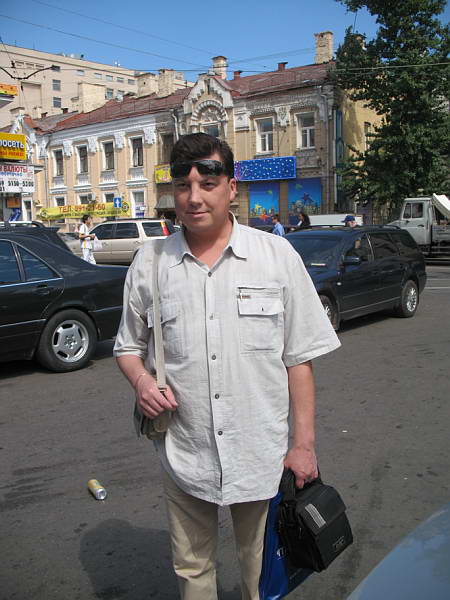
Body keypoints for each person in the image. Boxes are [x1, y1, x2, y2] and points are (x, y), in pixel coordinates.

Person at [114, 133, 340, 600]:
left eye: (208, 183)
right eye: (183, 185)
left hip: (261, 452)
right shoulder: (150, 263)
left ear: (231, 188)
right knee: (192, 566)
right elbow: (127, 347)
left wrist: (303, 446)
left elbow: (299, 359)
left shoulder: (275, 257)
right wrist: (141, 381)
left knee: (262, 567)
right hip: (185, 450)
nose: (194, 197)